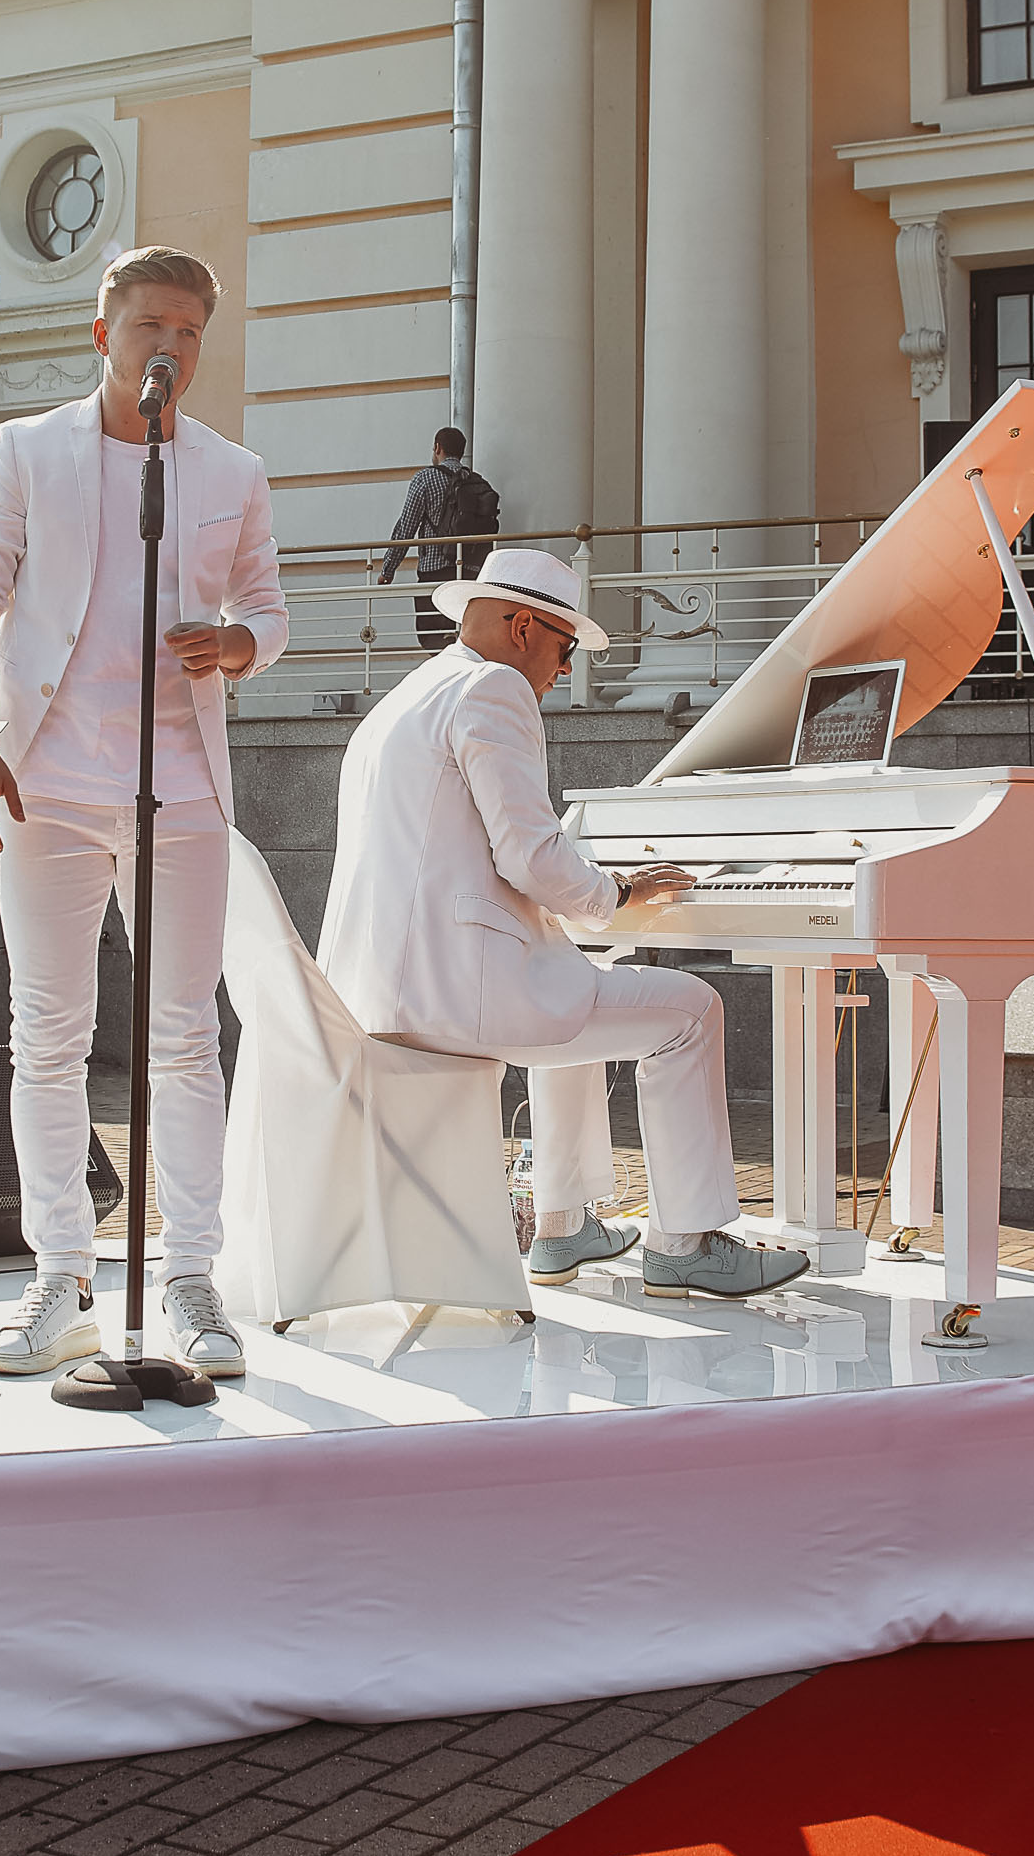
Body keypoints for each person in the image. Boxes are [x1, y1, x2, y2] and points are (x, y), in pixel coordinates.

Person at [0, 245, 288, 1379]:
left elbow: (268, 611)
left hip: (178, 791)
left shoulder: (231, 471)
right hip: (42, 781)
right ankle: (58, 1279)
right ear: (104, 336)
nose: (169, 348)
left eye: (189, 331)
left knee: (183, 1037)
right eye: (149, 327)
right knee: (46, 1034)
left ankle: (190, 1278)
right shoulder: (27, 450)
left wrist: (240, 645)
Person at [319, 545, 807, 1300]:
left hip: (380, 992)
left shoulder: (409, 695)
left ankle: (562, 1226)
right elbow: (531, 856)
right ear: (522, 628)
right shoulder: (493, 690)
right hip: (456, 994)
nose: (562, 670)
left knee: (578, 983)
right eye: (564, 646)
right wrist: (617, 891)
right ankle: (688, 1245)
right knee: (692, 1011)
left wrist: (587, 905)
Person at [378, 427, 500, 653]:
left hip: (435, 573)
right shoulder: (477, 482)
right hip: (471, 576)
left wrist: (388, 569)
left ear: (437, 448)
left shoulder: (425, 478)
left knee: (434, 640)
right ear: (461, 452)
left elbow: (406, 527)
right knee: (467, 644)